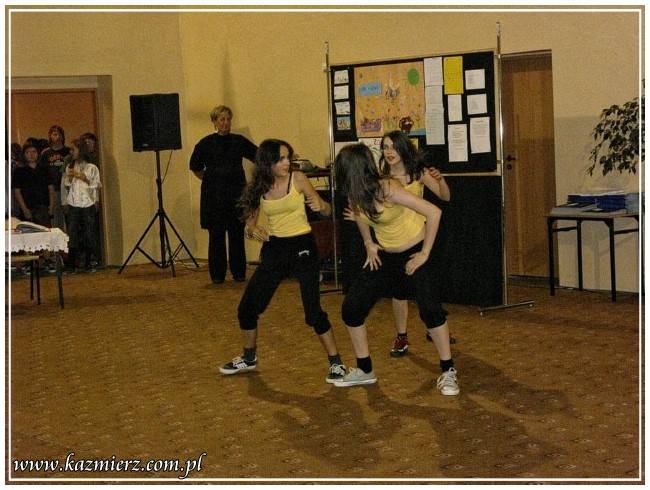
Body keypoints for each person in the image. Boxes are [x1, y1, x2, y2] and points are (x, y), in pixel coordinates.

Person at [333, 143, 459, 395]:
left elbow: (434, 212)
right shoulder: (355, 193)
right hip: (386, 257)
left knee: (430, 311)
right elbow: (360, 217)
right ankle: (365, 370)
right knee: (351, 309)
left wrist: (424, 254)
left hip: (413, 252)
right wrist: (368, 243)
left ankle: (448, 371)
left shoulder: (387, 187)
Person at [219, 139, 347, 384]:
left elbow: (327, 211)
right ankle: (249, 357)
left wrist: (321, 205)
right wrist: (252, 230)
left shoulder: (297, 179)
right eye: (281, 159)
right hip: (275, 248)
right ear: (268, 162)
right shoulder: (259, 186)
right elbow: (250, 224)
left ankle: (336, 363)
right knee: (247, 308)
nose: (287, 162)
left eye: (288, 157)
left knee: (313, 313)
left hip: (302, 247)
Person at [377, 130, 451, 357]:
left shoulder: (418, 172)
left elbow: (445, 197)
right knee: (399, 293)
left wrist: (440, 180)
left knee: (427, 292)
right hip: (394, 243)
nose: (389, 152)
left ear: (403, 148)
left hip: (420, 239)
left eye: (393, 147)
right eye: (385, 147)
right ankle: (401, 336)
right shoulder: (381, 178)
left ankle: (434, 327)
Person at [189, 105, 257, 284]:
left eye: (228, 119)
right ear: (214, 122)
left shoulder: (239, 141)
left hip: (236, 194)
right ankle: (217, 275)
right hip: (214, 197)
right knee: (216, 236)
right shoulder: (205, 143)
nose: (225, 123)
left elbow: (258, 156)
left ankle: (238, 273)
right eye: (222, 119)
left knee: (236, 234)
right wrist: (211, 179)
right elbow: (195, 167)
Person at [63, 138, 101, 272]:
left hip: (88, 204)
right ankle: (72, 264)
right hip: (73, 204)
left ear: (81, 150)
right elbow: (67, 184)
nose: (71, 152)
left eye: (73, 149)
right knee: (72, 233)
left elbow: (96, 185)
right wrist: (70, 177)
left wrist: (84, 177)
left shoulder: (92, 167)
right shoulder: (70, 166)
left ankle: (88, 263)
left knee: (88, 233)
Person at [13, 143, 55, 227]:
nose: (31, 154)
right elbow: (17, 192)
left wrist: (51, 206)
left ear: (38, 154)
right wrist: (24, 209)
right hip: (27, 208)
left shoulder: (45, 169)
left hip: (43, 207)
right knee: (29, 233)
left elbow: (51, 189)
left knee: (45, 232)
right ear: (24, 155)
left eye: (34, 152)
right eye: (28, 152)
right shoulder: (19, 171)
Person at [38, 125, 70, 231]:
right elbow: (42, 172)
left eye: (58, 133)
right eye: (53, 133)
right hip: (53, 189)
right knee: (57, 217)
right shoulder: (46, 153)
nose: (56, 135)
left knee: (70, 216)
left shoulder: (68, 151)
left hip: (68, 189)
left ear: (62, 136)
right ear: (50, 136)